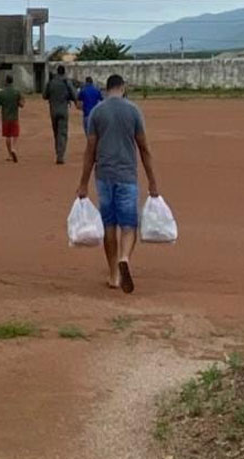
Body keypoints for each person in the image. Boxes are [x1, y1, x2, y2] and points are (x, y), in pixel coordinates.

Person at [76, 74, 159, 294]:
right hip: (127, 176)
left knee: (109, 225)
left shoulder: (97, 112)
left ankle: (113, 274)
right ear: (123, 88)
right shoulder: (133, 111)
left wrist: (83, 183)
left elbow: (90, 151)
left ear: (106, 89)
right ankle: (124, 258)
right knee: (129, 224)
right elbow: (144, 148)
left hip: (104, 175)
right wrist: (152, 181)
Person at [43, 65, 78, 164]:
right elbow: (74, 95)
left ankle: (58, 151)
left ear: (57, 72)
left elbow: (44, 96)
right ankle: (60, 155)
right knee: (62, 133)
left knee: (56, 132)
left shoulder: (51, 82)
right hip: (63, 109)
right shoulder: (67, 82)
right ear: (64, 72)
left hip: (53, 110)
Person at [0, 74, 25, 163]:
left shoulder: (1, 93)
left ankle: (9, 154)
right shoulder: (17, 92)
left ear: (6, 81)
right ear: (12, 81)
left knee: (7, 136)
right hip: (14, 117)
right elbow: (21, 105)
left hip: (5, 117)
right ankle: (13, 147)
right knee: (15, 134)